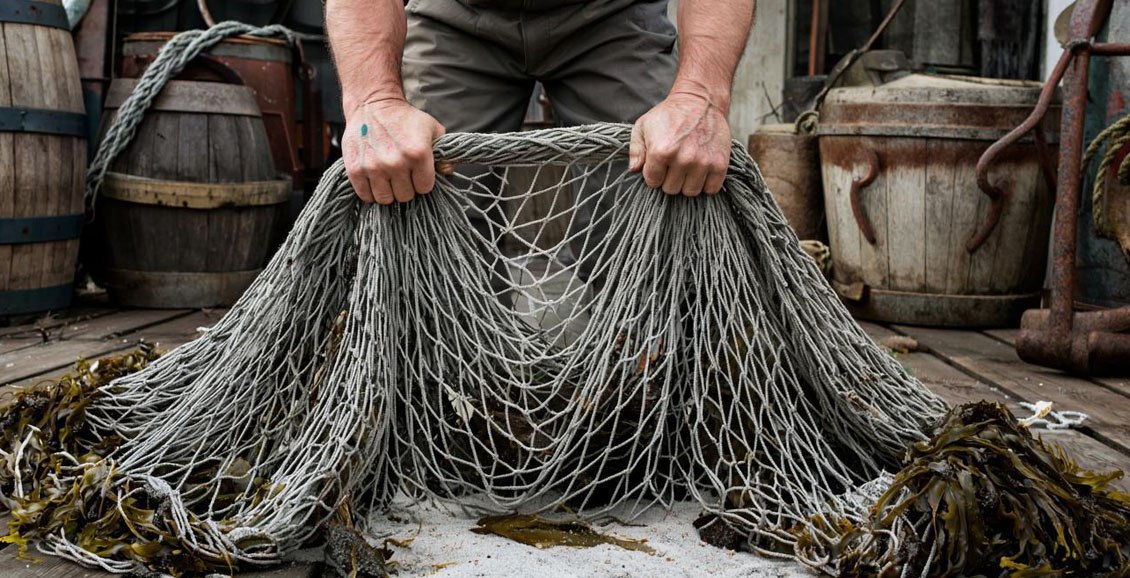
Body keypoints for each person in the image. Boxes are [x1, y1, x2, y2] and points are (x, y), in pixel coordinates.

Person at [326, 0, 755, 206]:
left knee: (658, 187)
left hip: (612, 13)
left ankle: (645, 364)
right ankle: (453, 372)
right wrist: (374, 100)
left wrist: (700, 95)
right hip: (454, 12)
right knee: (419, 193)